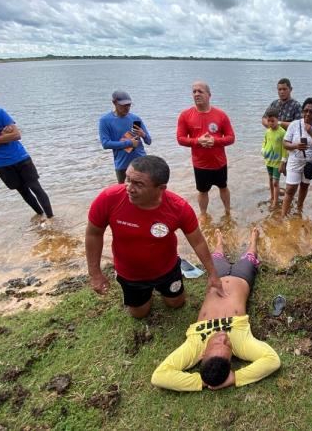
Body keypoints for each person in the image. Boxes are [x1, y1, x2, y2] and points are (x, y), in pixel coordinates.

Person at [85, 155, 225, 319]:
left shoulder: (178, 208)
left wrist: (213, 274)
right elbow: (94, 233)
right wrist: (95, 273)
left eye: (139, 184)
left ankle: (167, 289)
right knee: (139, 314)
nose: (129, 188)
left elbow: (198, 241)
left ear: (161, 188)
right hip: (130, 274)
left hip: (167, 269)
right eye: (127, 179)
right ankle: (143, 297)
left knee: (176, 303)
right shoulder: (109, 198)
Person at [151, 227, 281, 391]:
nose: (223, 336)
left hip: (216, 277)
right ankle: (253, 240)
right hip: (242, 277)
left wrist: (201, 382)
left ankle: (220, 240)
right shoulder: (241, 345)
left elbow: (159, 376)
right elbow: (272, 360)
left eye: (217, 342)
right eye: (227, 345)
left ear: (203, 354)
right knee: (250, 256)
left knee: (216, 255)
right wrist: (235, 377)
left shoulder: (195, 347)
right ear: (231, 358)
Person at [0, 86, 53, 218]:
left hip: (21, 158)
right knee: (23, 192)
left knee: (36, 187)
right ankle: (40, 216)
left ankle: (51, 218)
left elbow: (16, 135)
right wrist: (3, 139)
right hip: (1, 164)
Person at [176, 81, 235, 215]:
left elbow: (231, 138)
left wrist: (215, 141)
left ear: (209, 95)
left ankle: (227, 211)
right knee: (202, 191)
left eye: (200, 91)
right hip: (200, 164)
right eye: (194, 91)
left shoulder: (221, 115)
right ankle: (203, 215)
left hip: (219, 162)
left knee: (223, 187)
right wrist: (198, 141)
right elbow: (180, 139)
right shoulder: (185, 115)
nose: (196, 94)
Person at [99, 90, 152, 184]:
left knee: (145, 192)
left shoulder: (135, 118)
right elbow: (105, 144)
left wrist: (143, 134)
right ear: (114, 102)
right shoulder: (105, 120)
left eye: (129, 105)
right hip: (122, 164)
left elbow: (149, 141)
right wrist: (129, 143)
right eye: (123, 105)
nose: (127, 108)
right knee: (124, 194)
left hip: (141, 161)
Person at [281, 97, 312, 216]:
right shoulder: (294, 125)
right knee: (290, 189)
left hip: (310, 163)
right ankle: (283, 215)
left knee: (304, 186)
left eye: (311, 111)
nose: (307, 114)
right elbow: (285, 143)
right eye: (305, 111)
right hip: (295, 161)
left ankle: (299, 210)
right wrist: (295, 145)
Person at [262, 78, 303, 177]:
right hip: (274, 145)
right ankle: (277, 192)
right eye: (279, 89)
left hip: (289, 145)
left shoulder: (296, 105)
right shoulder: (274, 103)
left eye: (284, 89)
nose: (282, 92)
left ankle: (288, 191)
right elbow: (263, 119)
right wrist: (272, 127)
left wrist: (278, 124)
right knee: (273, 176)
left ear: (290, 89)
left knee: (289, 173)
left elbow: (298, 125)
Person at [261, 107, 287, 208]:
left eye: (273, 121)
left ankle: (275, 202)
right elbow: (265, 141)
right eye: (269, 121)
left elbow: (285, 149)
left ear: (278, 119)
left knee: (276, 182)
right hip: (269, 160)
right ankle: (272, 197)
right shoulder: (268, 131)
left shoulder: (282, 133)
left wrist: (283, 162)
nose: (271, 123)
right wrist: (263, 149)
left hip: (277, 162)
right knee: (270, 179)